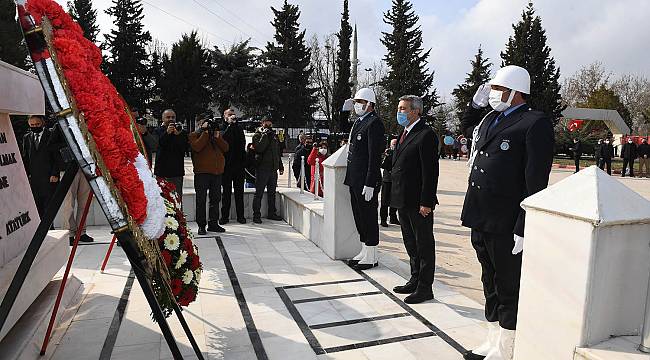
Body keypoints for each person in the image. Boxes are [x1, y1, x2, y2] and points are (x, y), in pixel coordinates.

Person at [460, 65, 554, 360]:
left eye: (498, 89)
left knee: (508, 283)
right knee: (489, 279)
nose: (492, 95)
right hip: (481, 214)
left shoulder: (534, 123)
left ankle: (507, 347)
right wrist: (473, 106)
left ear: (516, 92)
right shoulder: (490, 120)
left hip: (506, 220)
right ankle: (492, 338)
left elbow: (535, 180)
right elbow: (468, 131)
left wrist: (525, 224)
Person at [390, 95, 439, 304]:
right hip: (403, 199)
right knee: (410, 242)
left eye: (403, 109)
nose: (399, 112)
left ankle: (425, 287)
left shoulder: (425, 135)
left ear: (415, 111)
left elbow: (430, 172)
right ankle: (415, 278)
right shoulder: (404, 133)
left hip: (418, 201)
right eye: (399, 108)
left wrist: (426, 201)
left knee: (423, 244)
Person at [343, 88, 385, 271]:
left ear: (369, 104)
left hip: (366, 181)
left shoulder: (374, 123)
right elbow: (349, 138)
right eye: (355, 102)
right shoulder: (359, 122)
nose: (356, 105)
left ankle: (372, 255)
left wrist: (370, 182)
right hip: (355, 178)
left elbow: (373, 157)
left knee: (368, 217)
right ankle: (364, 249)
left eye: (359, 102)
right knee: (359, 216)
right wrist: (343, 112)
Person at [189, 119, 229, 235]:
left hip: (217, 173)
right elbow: (197, 147)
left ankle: (213, 223)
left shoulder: (216, 136)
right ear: (200, 125)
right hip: (202, 173)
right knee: (201, 200)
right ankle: (201, 225)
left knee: (215, 199)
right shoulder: (194, 135)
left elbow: (226, 148)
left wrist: (217, 137)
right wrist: (205, 133)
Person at [21, 115, 61, 217]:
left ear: (42, 122)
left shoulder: (51, 135)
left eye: (37, 124)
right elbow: (25, 158)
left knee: (49, 206)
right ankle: (40, 231)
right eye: (32, 125)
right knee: (37, 206)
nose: (35, 126)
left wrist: (55, 173)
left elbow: (57, 156)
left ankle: (49, 229)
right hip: (34, 179)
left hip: (49, 177)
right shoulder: (27, 138)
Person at [252, 116, 284, 224]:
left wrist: (280, 165)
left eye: (270, 124)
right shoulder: (257, 135)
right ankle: (256, 215)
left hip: (272, 169)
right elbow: (259, 148)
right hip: (262, 168)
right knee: (259, 193)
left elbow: (277, 152)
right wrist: (265, 135)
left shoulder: (274, 136)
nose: (269, 126)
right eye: (267, 124)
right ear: (262, 123)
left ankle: (272, 213)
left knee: (272, 193)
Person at [154, 109, 188, 203]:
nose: (171, 119)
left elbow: (185, 148)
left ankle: (178, 218)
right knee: (163, 201)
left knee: (177, 201)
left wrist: (178, 136)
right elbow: (158, 145)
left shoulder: (181, 132)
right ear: (162, 119)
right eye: (168, 117)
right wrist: (167, 133)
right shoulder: (158, 131)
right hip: (162, 172)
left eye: (173, 117)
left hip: (176, 172)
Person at [220, 109, 247, 224]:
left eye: (233, 114)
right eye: (229, 114)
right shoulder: (222, 128)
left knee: (239, 193)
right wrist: (230, 126)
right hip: (226, 166)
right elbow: (222, 139)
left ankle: (240, 216)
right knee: (226, 193)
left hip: (239, 166)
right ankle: (224, 217)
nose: (232, 116)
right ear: (224, 116)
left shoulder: (239, 128)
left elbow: (242, 142)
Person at [380, 138, 399, 227]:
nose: (394, 146)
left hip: (396, 180)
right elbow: (383, 165)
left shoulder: (399, 152)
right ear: (390, 145)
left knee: (395, 200)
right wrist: (387, 156)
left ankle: (393, 217)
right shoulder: (386, 153)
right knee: (384, 200)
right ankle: (383, 219)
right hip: (387, 180)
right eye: (393, 144)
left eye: (396, 144)